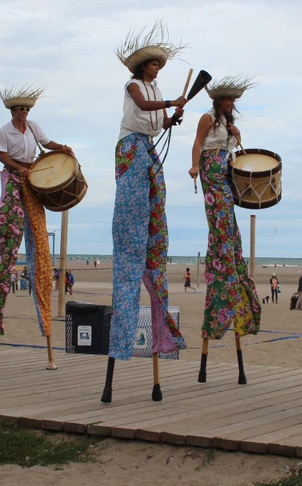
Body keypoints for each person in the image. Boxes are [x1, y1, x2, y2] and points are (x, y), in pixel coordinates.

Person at [108, 22, 187, 364]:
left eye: (159, 64)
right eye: (153, 64)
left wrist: (173, 117)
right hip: (131, 147)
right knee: (132, 220)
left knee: (156, 218)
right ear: (143, 66)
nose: (157, 67)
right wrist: (171, 102)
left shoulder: (157, 91)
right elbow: (141, 106)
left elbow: (158, 121)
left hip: (149, 147)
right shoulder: (135, 85)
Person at [0, 86, 73, 348]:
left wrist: (62, 147)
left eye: (26, 109)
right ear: (12, 111)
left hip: (32, 177)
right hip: (14, 177)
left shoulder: (34, 126)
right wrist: (19, 169)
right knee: (12, 230)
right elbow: (3, 157)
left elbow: (47, 144)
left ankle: (44, 314)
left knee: (38, 238)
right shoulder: (4, 131)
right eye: (20, 109)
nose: (23, 113)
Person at [187, 76, 261, 341]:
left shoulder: (229, 122)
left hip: (224, 164)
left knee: (227, 213)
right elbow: (197, 142)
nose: (231, 103)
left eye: (233, 100)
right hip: (210, 164)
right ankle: (222, 253)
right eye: (228, 99)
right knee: (219, 212)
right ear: (217, 100)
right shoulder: (208, 118)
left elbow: (234, 149)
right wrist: (195, 166)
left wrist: (236, 135)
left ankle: (228, 251)